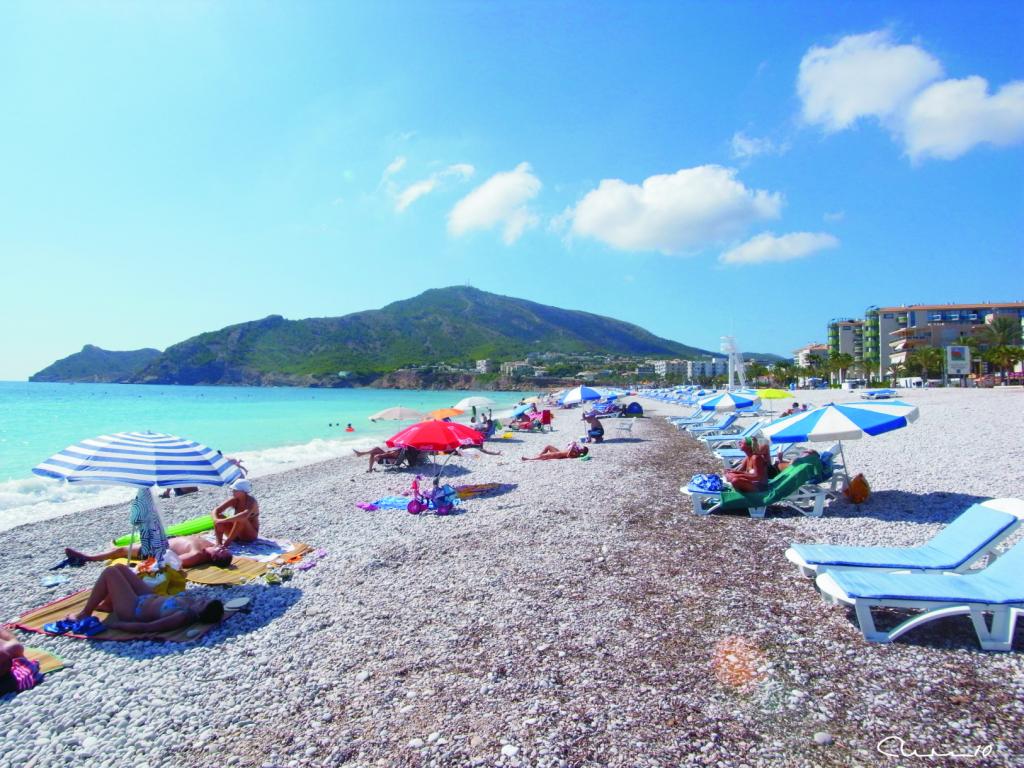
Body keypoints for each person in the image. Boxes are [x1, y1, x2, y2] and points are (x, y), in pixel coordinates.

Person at [66, 564, 223, 633]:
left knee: (110, 572)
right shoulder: (190, 605)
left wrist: (116, 626)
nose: (201, 599)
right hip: (147, 597)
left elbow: (148, 628)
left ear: (200, 613)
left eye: (203, 603)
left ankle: (85, 613)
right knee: (121, 568)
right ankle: (109, 604)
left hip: (133, 609)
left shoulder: (182, 616)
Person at [64, 534, 233, 570]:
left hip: (157, 547)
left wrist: (146, 564)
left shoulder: (198, 555)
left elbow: (171, 561)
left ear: (215, 555)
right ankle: (110, 548)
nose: (222, 547)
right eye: (223, 548)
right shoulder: (208, 545)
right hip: (167, 539)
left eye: (221, 550)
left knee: (122, 551)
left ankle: (87, 558)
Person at [212, 479, 260, 546]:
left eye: (235, 490)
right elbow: (216, 510)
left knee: (240, 518)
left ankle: (226, 544)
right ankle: (218, 543)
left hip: (249, 536)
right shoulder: (234, 500)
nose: (233, 491)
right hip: (236, 534)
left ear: (243, 491)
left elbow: (244, 515)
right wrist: (216, 520)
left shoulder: (251, 501)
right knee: (218, 516)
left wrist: (225, 520)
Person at [352, 446, 422, 472]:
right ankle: (361, 454)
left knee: (374, 452)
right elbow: (392, 453)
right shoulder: (404, 448)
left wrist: (382, 454)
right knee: (375, 450)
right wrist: (390, 452)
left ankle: (361, 454)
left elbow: (392, 454)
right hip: (390, 456)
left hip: (391, 458)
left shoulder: (403, 449)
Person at [522, 443, 589, 461]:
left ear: (582, 452)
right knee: (548, 446)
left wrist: (572, 448)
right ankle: (539, 455)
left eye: (581, 449)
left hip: (559, 455)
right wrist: (571, 445)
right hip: (560, 451)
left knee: (544, 456)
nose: (580, 448)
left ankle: (529, 459)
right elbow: (567, 448)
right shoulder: (576, 450)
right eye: (581, 447)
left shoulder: (577, 454)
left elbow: (568, 456)